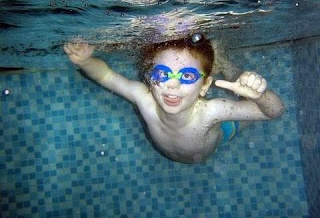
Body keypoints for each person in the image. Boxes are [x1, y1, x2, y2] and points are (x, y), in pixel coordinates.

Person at [63, 34, 285, 163]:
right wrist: (84, 62)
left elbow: (273, 112)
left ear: (204, 86)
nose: (172, 84)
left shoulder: (212, 111)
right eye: (162, 73)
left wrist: (260, 95)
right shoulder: (144, 98)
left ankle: (224, 64)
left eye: (187, 76)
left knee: (240, 88)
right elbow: (105, 75)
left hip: (222, 133)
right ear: (150, 78)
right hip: (177, 151)